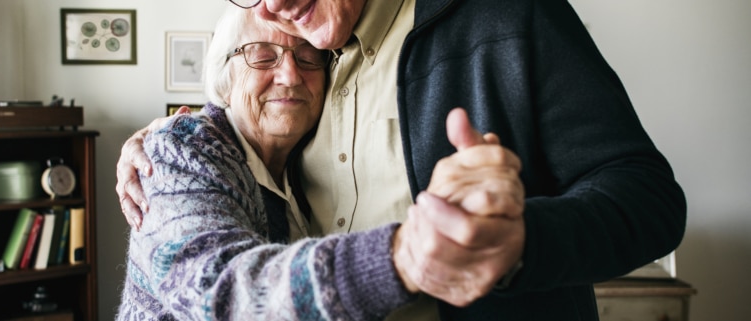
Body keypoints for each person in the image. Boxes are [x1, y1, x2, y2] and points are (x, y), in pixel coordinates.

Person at [117, 0, 687, 320]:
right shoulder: (309, 63)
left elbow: (649, 197)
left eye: (297, 60)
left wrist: (521, 241)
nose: (277, 5)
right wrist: (173, 139)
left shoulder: (508, 16)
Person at [118, 7, 471, 320]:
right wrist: (404, 256)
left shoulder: (304, 165)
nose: (290, 75)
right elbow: (217, 295)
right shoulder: (179, 151)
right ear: (224, 80)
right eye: (262, 56)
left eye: (306, 58)